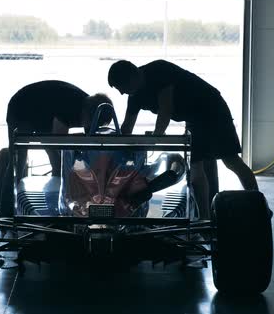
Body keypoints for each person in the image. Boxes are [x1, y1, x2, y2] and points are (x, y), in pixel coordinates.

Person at [107, 59, 258, 220]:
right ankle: (208, 217)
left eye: (121, 88)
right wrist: (112, 155)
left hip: (212, 108)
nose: (122, 93)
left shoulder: (158, 70)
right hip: (192, 118)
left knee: (229, 161)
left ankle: (257, 205)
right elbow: (126, 128)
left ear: (132, 77)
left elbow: (166, 109)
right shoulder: (135, 95)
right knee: (202, 163)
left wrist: (156, 136)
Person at [6, 80, 112, 179]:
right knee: (18, 160)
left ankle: (55, 188)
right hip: (22, 106)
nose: (93, 126)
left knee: (56, 162)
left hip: (44, 111)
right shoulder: (71, 107)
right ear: (88, 115)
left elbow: (89, 142)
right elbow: (58, 143)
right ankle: (11, 193)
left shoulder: (90, 106)